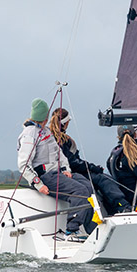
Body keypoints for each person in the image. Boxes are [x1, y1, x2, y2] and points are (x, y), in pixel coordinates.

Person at [17, 98, 94, 237]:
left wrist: (66, 169)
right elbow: (23, 164)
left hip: (58, 173)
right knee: (80, 191)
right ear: (44, 116)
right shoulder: (29, 134)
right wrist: (38, 184)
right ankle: (71, 230)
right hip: (46, 177)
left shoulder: (45, 131)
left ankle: (91, 229)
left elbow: (60, 153)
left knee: (88, 186)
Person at [48, 108, 131, 215]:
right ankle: (122, 206)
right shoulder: (62, 140)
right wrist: (93, 167)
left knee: (102, 179)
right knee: (103, 179)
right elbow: (73, 162)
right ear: (66, 123)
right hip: (71, 173)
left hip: (65, 172)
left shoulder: (50, 137)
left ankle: (114, 208)